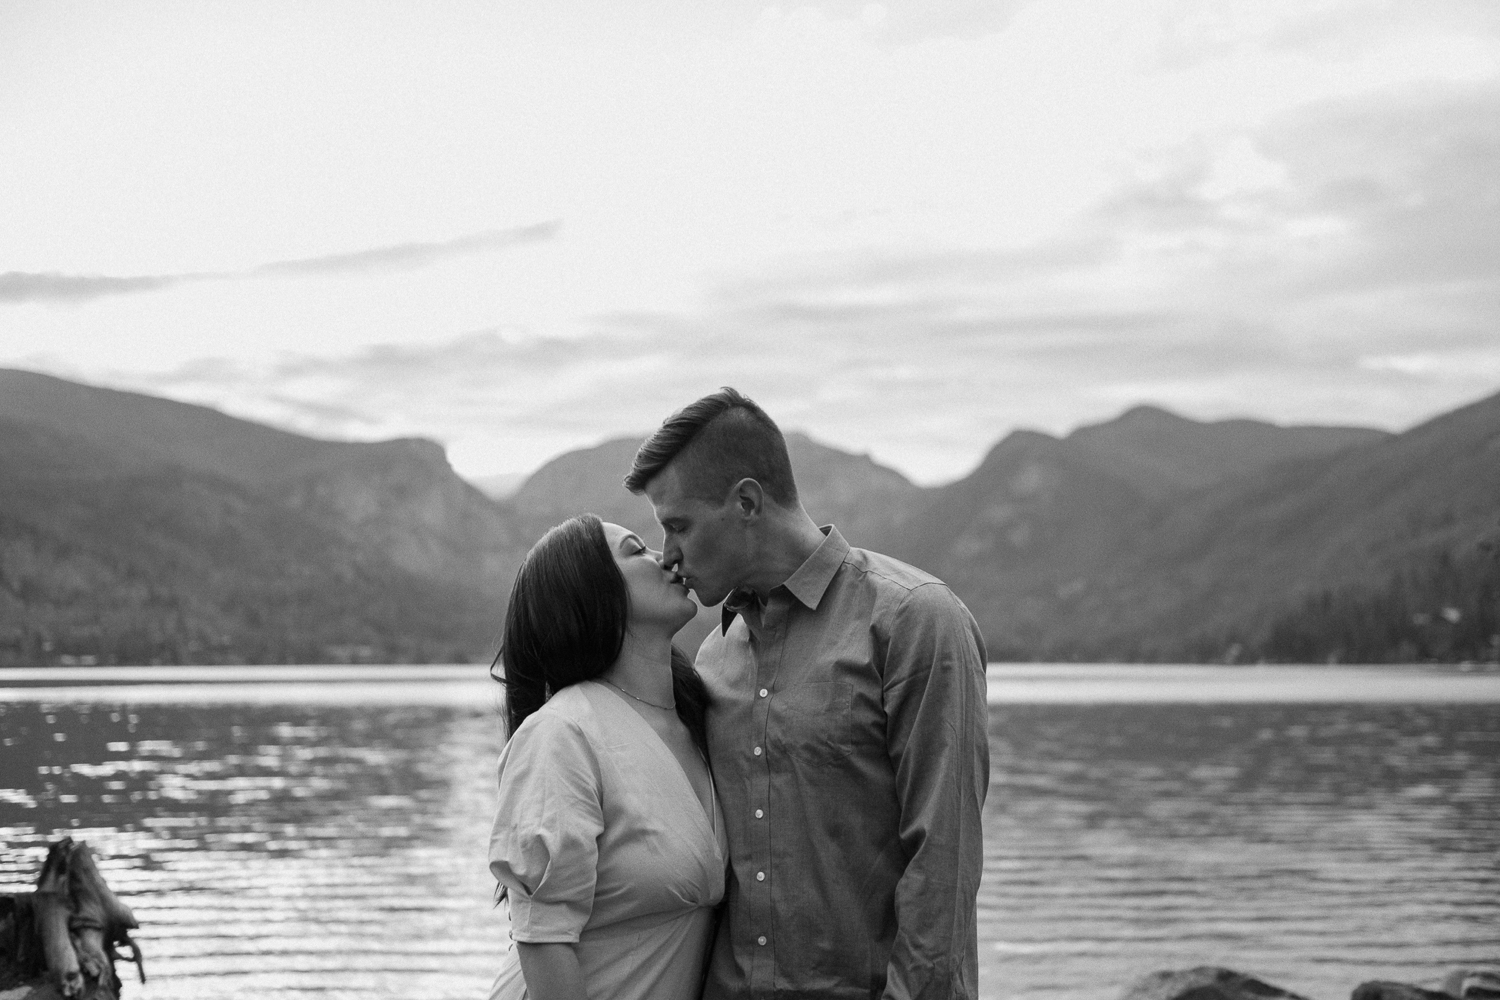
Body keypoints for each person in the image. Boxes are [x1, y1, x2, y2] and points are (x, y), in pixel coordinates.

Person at [624, 387, 990, 1000]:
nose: (670, 555)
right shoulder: (714, 655)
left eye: (678, 526)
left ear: (745, 502)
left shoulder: (915, 621)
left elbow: (943, 869)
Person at [487, 514, 727, 1000]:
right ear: (590, 592)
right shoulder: (562, 733)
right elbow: (544, 940)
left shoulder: (705, 720)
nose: (666, 559)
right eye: (637, 550)